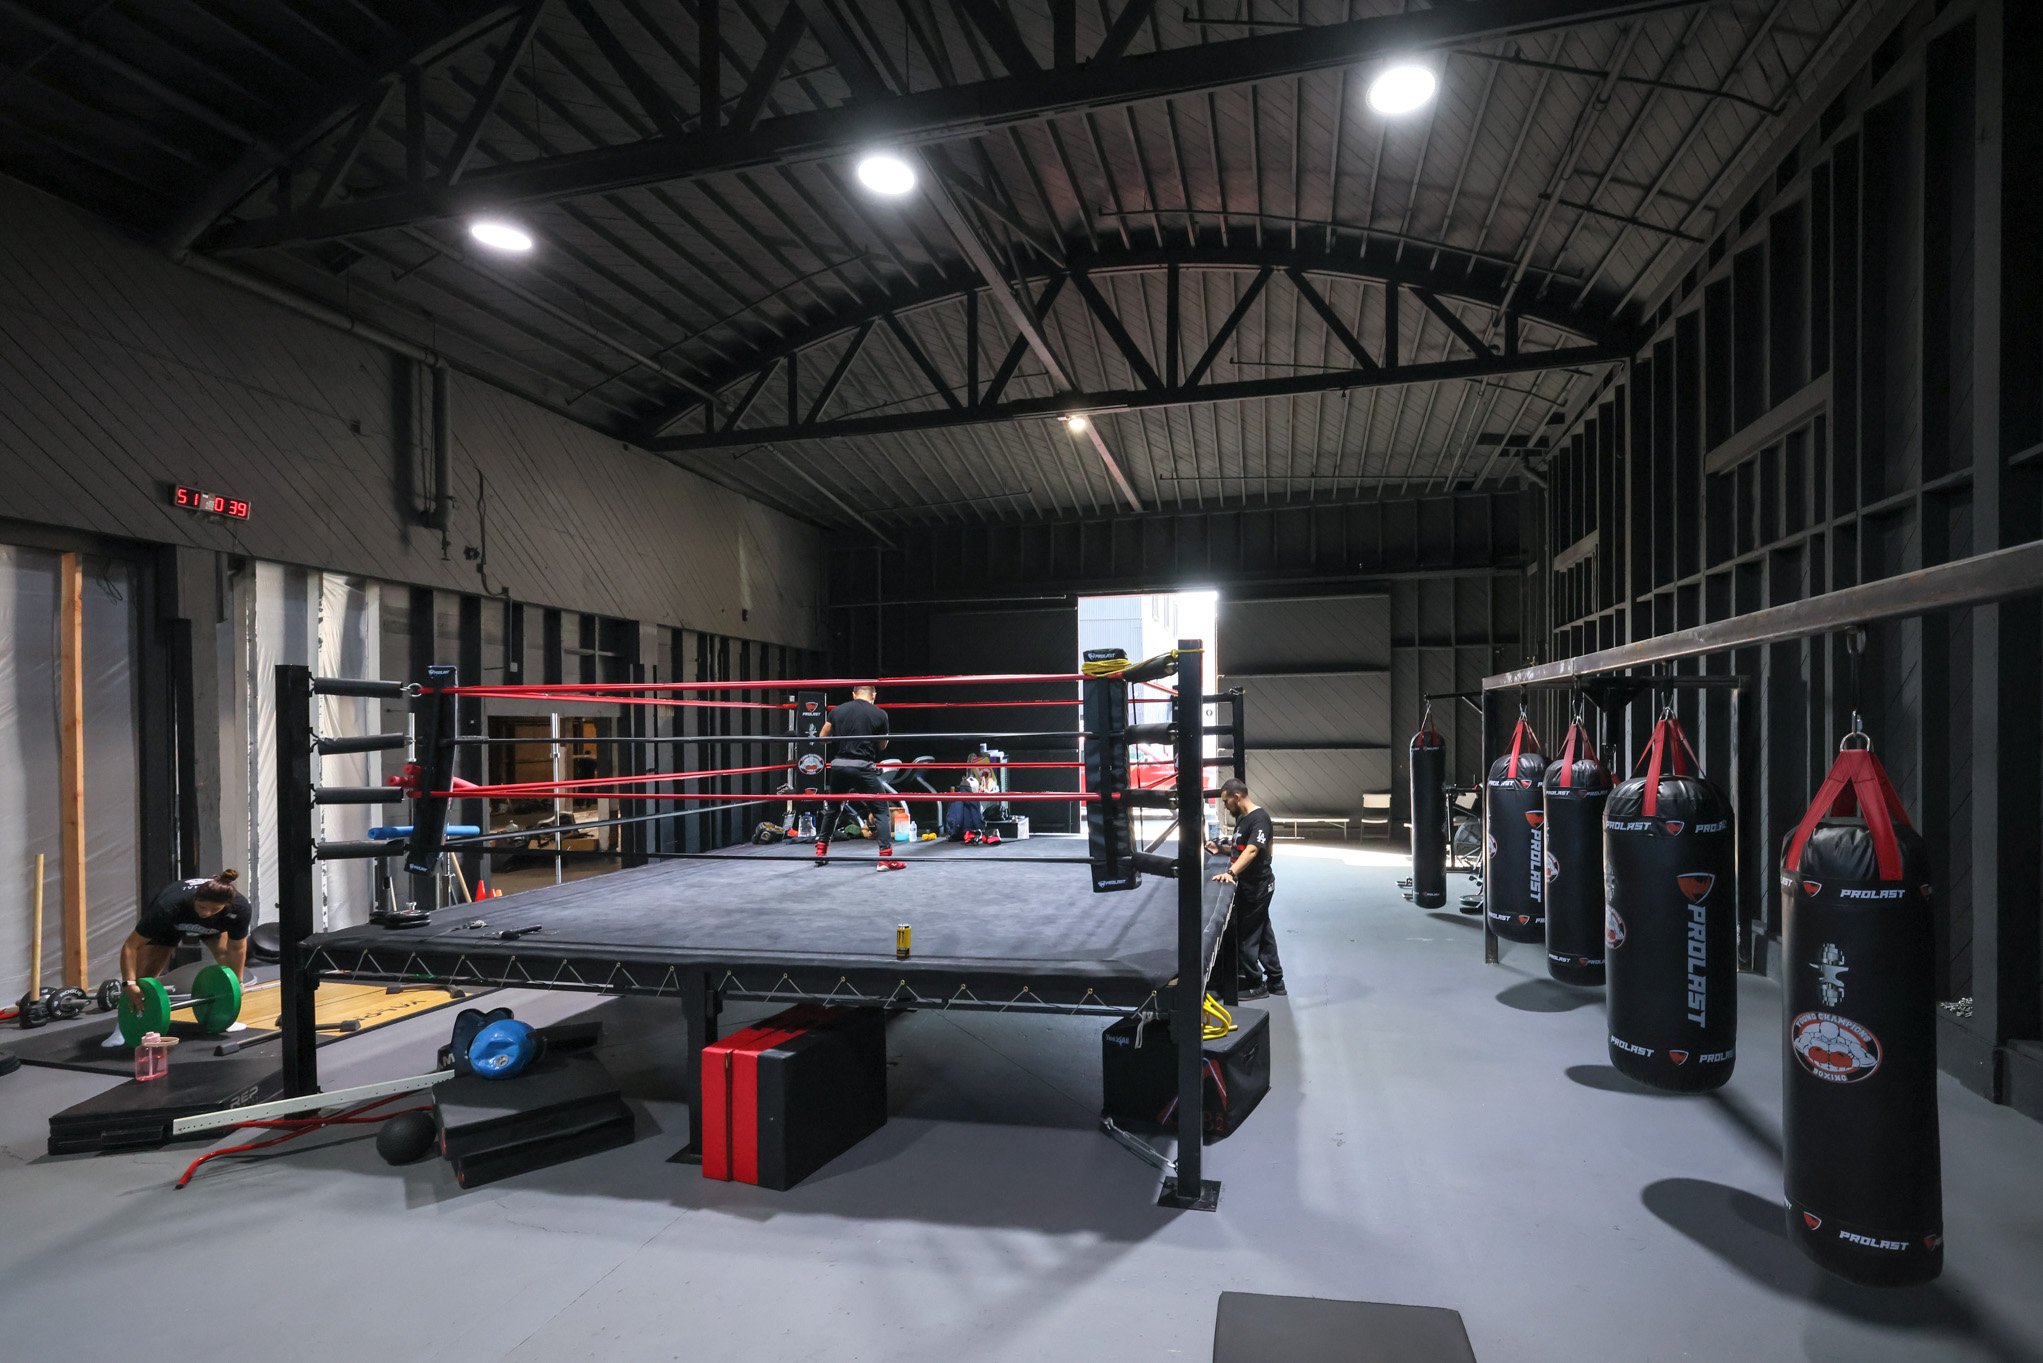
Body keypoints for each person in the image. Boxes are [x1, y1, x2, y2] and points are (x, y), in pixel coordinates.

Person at [116, 870, 253, 1014]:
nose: (206, 913)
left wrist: (238, 982)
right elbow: (131, 946)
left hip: (214, 927)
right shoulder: (168, 907)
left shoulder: (240, 909)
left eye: (214, 909)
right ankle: (129, 1019)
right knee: (143, 979)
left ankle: (223, 1013)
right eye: (202, 907)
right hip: (171, 924)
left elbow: (237, 949)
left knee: (229, 966)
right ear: (195, 898)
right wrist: (128, 983)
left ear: (226, 905)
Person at [1207, 779, 1284, 997]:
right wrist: (1221, 849)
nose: (1225, 806)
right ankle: (1276, 981)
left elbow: (1252, 850)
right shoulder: (1242, 819)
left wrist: (1231, 873)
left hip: (1258, 887)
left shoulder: (1260, 819)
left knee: (1246, 937)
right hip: (1252, 887)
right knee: (1263, 933)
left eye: (1226, 801)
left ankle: (1255, 984)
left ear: (1237, 797)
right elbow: (1239, 848)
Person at [815, 685, 905, 871]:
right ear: (874, 695)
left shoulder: (838, 710)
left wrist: (842, 737)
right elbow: (882, 746)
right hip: (862, 766)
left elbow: (822, 737)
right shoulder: (879, 714)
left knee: (833, 809)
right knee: (881, 810)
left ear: (854, 694)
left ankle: (820, 853)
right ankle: (885, 859)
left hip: (839, 766)